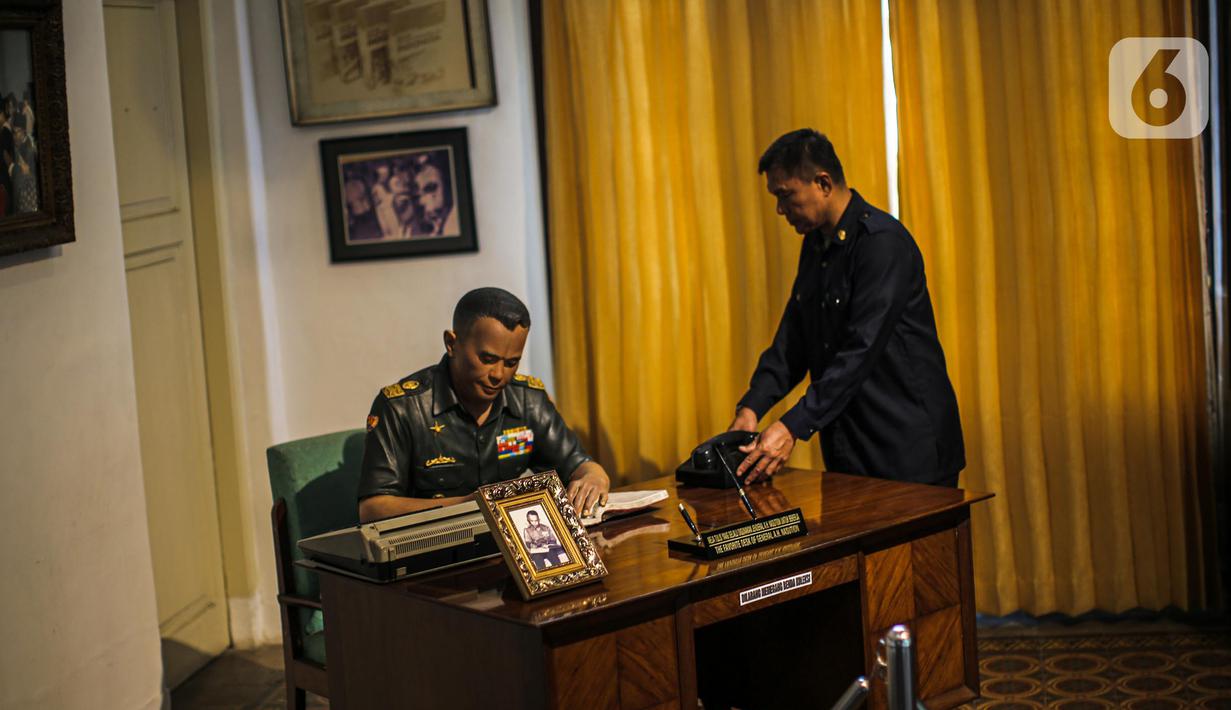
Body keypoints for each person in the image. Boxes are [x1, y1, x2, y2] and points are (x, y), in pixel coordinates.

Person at [730, 129, 965, 487]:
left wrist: (792, 426)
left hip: (907, 450)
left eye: (785, 195)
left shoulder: (881, 244)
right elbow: (794, 340)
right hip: (851, 449)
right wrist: (752, 408)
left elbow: (860, 351)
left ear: (823, 183)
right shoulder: (816, 245)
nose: (779, 209)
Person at [358, 287, 611, 522]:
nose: (499, 374)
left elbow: (580, 465)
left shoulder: (527, 400)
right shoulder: (402, 407)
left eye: (511, 363)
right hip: (432, 554)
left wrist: (594, 478)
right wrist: (470, 506)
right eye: (488, 359)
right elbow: (373, 508)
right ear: (452, 344)